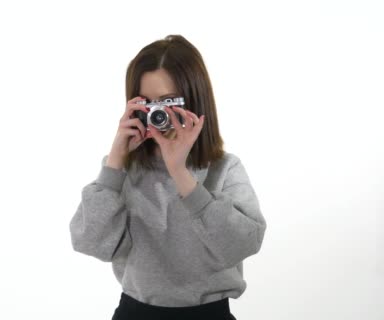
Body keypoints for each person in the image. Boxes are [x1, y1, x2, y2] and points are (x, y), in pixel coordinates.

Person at [68, 34, 267, 320]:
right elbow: (90, 242)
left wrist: (180, 172)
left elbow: (242, 245)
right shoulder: (122, 172)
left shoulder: (224, 168)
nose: (157, 114)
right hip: (135, 312)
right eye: (146, 103)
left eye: (167, 102)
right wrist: (114, 163)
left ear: (195, 101)